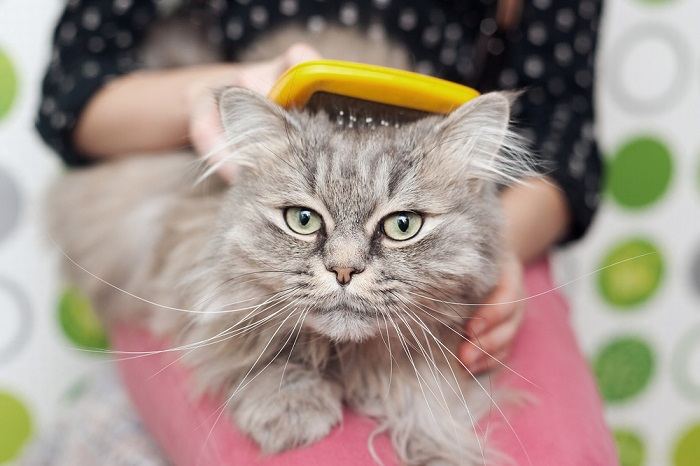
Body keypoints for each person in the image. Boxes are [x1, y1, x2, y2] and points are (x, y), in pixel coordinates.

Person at [35, 0, 615, 463]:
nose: (344, 268)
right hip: (231, 167)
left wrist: (497, 246)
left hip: (480, 215)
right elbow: (73, 96)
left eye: (399, 227)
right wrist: (216, 89)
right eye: (309, 221)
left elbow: (565, 141)